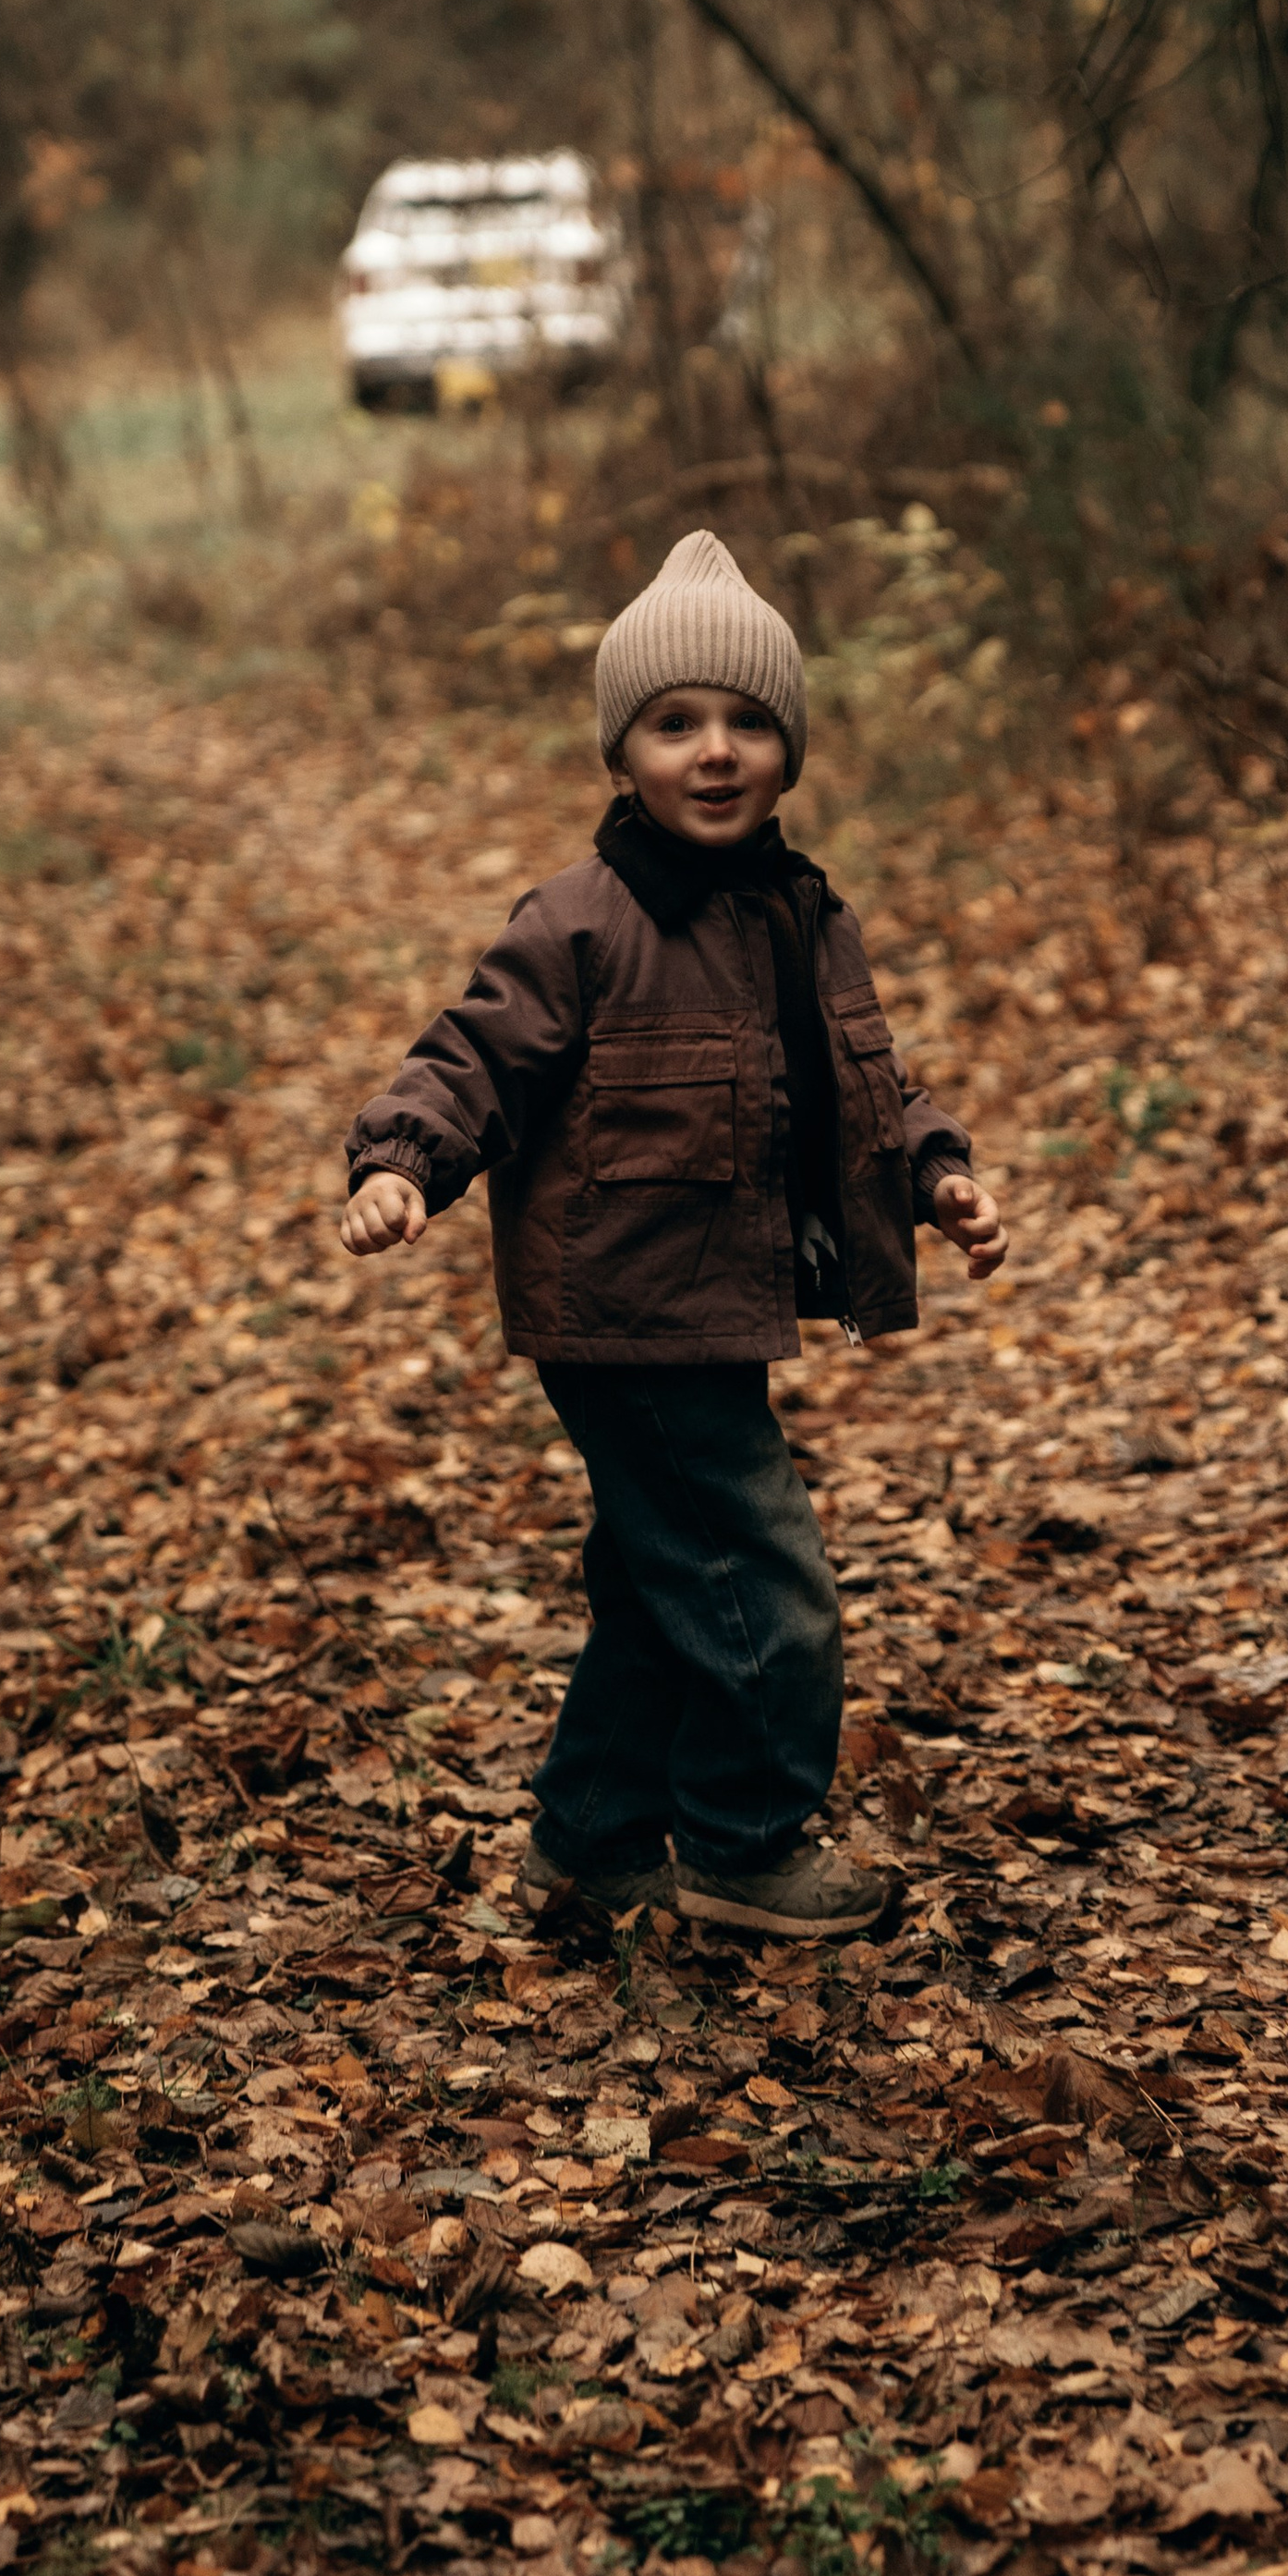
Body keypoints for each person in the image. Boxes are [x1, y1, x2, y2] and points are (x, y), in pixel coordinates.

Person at [339, 527, 1006, 1941]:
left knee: (663, 1582)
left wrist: (935, 1170)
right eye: (676, 722)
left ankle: (590, 1841)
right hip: (623, 1314)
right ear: (622, 752)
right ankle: (744, 1842)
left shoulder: (802, 914)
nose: (716, 751)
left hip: (713, 1306)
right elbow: (473, 1056)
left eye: (749, 722)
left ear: (790, 751)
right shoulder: (581, 922)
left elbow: (862, 1074)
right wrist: (404, 1160)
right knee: (763, 1583)